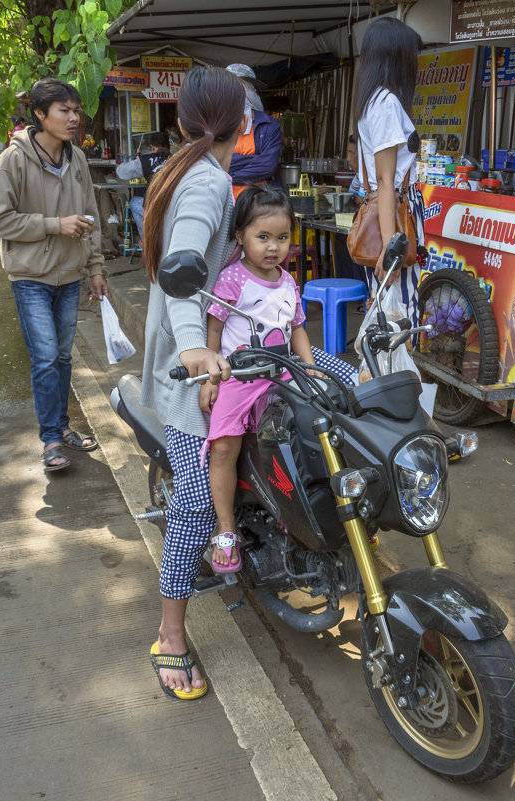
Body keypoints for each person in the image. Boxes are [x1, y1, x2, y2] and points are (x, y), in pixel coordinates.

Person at [140, 65, 356, 700]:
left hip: (249, 350)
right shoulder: (204, 183)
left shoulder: (193, 170)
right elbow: (181, 271)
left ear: (183, 122)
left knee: (344, 389)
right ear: (243, 128)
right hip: (201, 364)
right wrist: (192, 350)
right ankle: (170, 634)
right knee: (196, 505)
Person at [0, 78, 108, 473]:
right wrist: (55, 224)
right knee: (44, 360)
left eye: (76, 111)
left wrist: (97, 268)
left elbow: (91, 217)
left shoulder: (78, 160)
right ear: (40, 114)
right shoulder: (14, 159)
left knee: (62, 356)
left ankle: (62, 428)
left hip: (70, 274)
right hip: (31, 275)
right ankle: (51, 440)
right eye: (64, 111)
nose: (74, 118)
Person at [201, 187, 317, 571]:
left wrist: (310, 366)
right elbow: (214, 331)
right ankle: (226, 528)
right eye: (262, 237)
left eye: (282, 238)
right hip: (240, 379)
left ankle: (294, 508)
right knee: (224, 448)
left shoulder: (287, 282)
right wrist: (210, 378)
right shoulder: (233, 280)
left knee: (304, 436)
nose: (273, 248)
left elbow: (297, 327)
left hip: (281, 376)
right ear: (240, 237)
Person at [351, 17, 425, 323]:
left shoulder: (374, 100)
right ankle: (394, 372)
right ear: (397, 57)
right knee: (399, 316)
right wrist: (390, 247)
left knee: (388, 310)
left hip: (392, 212)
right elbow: (385, 180)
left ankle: (386, 370)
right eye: (412, 56)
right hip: (394, 213)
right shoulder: (385, 103)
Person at [225, 63, 281, 199]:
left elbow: (267, 166)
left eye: (246, 86)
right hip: (224, 203)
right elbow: (211, 164)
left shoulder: (269, 125)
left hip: (259, 203)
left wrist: (228, 175)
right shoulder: (217, 125)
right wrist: (253, 160)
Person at [115, 130, 171, 239]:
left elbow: (121, 172)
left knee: (134, 202)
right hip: (175, 207)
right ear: (169, 147)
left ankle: (145, 239)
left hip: (153, 209)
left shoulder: (145, 160)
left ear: (152, 147)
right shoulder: (178, 159)